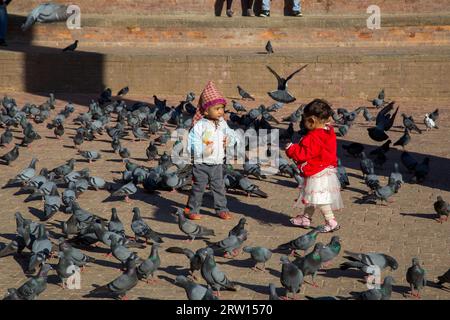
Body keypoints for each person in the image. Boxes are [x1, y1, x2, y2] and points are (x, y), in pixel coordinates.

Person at [285, 99, 343, 232]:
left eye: (305, 120)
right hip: (325, 168)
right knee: (312, 196)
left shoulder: (313, 137)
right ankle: (306, 218)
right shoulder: (328, 131)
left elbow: (303, 154)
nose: (304, 123)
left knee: (319, 199)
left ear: (311, 121)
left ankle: (331, 221)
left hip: (317, 172)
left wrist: (291, 149)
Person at [184, 81, 237, 220]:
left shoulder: (222, 123)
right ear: (206, 110)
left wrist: (229, 140)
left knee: (219, 187)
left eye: (222, 108)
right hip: (201, 162)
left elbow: (231, 134)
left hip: (217, 163)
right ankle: (192, 209)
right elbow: (192, 141)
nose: (221, 111)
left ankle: (221, 209)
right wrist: (203, 149)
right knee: (198, 188)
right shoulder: (200, 125)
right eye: (217, 108)